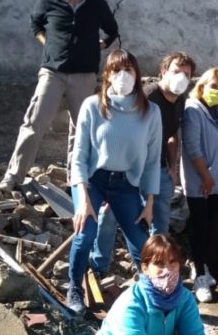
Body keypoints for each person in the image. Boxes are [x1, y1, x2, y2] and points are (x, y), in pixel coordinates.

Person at [0, 0, 119, 192]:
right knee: (34, 123)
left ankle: (77, 178)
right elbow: (35, 25)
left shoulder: (97, 4)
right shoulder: (48, 0)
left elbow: (112, 31)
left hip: (84, 75)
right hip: (53, 72)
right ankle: (13, 176)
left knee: (82, 128)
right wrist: (48, 43)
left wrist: (100, 45)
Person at [67, 49, 162, 314]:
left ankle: (151, 293)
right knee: (84, 233)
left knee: (141, 240)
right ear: (107, 75)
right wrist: (84, 200)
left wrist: (149, 201)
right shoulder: (92, 106)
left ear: (137, 74)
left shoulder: (150, 112)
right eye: (116, 70)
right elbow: (79, 156)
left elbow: (153, 160)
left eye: (128, 70)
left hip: (125, 184)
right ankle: (74, 287)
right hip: (92, 180)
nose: (123, 76)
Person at [90, 53, 196, 272]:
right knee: (110, 215)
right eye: (177, 71)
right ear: (163, 72)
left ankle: (155, 270)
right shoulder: (147, 97)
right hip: (132, 171)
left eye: (187, 74)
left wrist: (173, 167)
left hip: (160, 170)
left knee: (160, 223)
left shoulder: (180, 100)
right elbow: (125, 133)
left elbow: (173, 134)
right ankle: (99, 265)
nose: (182, 78)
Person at [180, 67, 218, 304]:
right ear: (201, 86)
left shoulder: (216, 111)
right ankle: (199, 277)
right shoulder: (193, 110)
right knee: (200, 230)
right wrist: (205, 176)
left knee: (211, 228)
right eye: (214, 86)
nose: (217, 91)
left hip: (216, 181)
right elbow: (192, 147)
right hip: (200, 182)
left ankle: (202, 267)